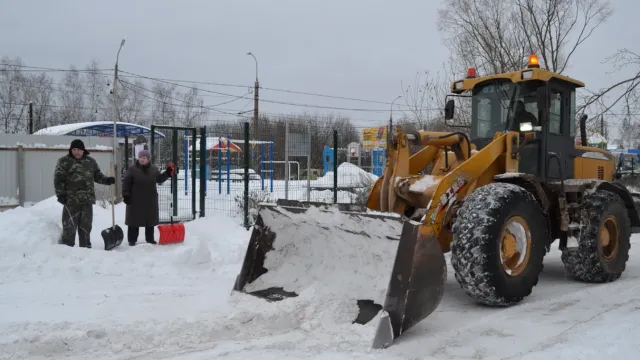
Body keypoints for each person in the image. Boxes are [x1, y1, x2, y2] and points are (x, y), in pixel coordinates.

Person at [54, 139, 116, 248]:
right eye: (74, 149)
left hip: (87, 200)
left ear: (83, 150)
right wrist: (60, 194)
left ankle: (85, 247)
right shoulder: (64, 161)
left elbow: (97, 176)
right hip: (71, 201)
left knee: (86, 226)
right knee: (69, 226)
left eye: (79, 149)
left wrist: (107, 180)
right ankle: (67, 248)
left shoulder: (90, 162)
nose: (76, 152)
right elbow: (58, 179)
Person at [121, 150, 174, 246]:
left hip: (150, 199)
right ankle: (132, 239)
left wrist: (167, 173)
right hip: (135, 199)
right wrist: (126, 195)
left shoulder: (154, 169)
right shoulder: (132, 169)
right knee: (134, 219)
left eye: (144, 158)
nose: (142, 159)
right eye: (140, 157)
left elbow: (159, 179)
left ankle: (150, 239)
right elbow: (126, 183)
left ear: (148, 159)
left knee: (150, 220)